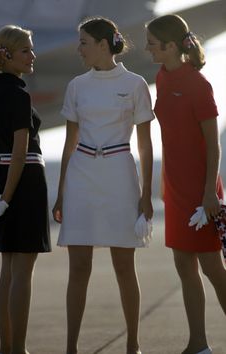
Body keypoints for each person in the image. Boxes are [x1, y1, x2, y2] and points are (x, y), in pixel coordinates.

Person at [52, 16, 154, 354]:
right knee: (79, 266)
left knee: (125, 266)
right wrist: (62, 191)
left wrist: (145, 194)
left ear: (102, 44)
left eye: (83, 42)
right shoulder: (77, 85)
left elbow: (146, 145)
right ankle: (70, 348)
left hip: (120, 174)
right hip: (81, 175)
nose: (79, 49)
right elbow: (69, 143)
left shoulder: (136, 83)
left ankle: (133, 344)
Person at [145, 14, 226, 354]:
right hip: (174, 186)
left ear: (171, 45)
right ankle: (198, 344)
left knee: (211, 267)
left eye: (152, 43)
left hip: (200, 188)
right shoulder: (162, 76)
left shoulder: (198, 84)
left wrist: (210, 193)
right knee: (183, 265)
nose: (148, 48)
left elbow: (213, 144)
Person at [0, 25, 51, 354]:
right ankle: (19, 350)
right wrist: (8, 197)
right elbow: (20, 147)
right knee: (21, 273)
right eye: (26, 50)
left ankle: (5, 348)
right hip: (23, 182)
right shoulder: (18, 93)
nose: (32, 56)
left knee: (9, 270)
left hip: (2, 180)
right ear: (7, 54)